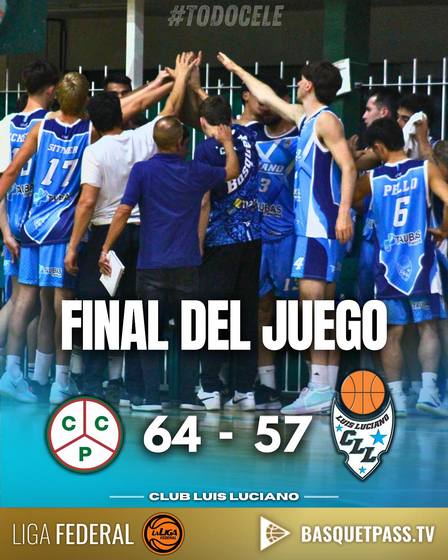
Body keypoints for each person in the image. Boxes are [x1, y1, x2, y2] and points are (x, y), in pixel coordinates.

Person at [0, 67, 175, 404]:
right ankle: (60, 381)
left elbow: (11, 171)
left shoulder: (41, 126)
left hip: (33, 225)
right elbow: (132, 107)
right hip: (62, 229)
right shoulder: (88, 130)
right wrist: (164, 84)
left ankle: (13, 372)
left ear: (57, 97)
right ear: (85, 103)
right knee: (63, 306)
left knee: (24, 300)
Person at [217, 53, 356, 414]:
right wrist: (237, 69)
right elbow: (266, 95)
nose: (296, 83)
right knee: (322, 312)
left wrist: (343, 213)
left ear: (308, 84)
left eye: (300, 78)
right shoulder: (306, 118)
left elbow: (348, 167)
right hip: (314, 228)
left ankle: (319, 388)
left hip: (319, 226)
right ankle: (325, 389)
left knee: (314, 310)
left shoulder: (326, 121)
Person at [64, 55, 195, 407]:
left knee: (97, 311)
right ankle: (137, 390)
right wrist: (181, 78)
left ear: (93, 120)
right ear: (121, 116)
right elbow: (170, 113)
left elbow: (87, 202)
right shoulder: (140, 138)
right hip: (144, 235)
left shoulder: (94, 151)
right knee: (137, 313)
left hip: (108, 237)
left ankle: (94, 386)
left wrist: (74, 246)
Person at [99, 116, 239, 411]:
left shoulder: (142, 170)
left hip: (150, 264)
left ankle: (151, 397)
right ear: (180, 144)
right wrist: (227, 142)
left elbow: (123, 211)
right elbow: (232, 171)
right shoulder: (195, 171)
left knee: (149, 331)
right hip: (187, 263)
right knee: (189, 332)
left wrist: (106, 247)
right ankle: (187, 396)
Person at [354, 118, 448, 417]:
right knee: (427, 327)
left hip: (388, 267)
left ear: (379, 147)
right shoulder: (424, 169)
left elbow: (350, 201)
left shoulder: (373, 178)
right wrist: (444, 229)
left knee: (391, 333)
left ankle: (396, 399)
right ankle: (429, 392)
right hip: (421, 264)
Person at [195, 95, 260, 412]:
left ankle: (210, 387)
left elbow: (204, 199)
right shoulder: (249, 137)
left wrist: (197, 242)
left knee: (215, 315)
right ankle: (245, 390)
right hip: (252, 239)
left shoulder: (205, 150)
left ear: (202, 123)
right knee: (246, 314)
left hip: (219, 241)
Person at [0, 60, 59, 401]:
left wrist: (5, 231)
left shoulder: (6, 123)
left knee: (26, 300)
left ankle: (27, 374)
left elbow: (3, 179)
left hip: (13, 222)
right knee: (28, 301)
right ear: (51, 90)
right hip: (40, 224)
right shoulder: (52, 124)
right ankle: (14, 373)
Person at [244, 77, 299, 410]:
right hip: (257, 237)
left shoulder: (301, 136)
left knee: (300, 313)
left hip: (289, 237)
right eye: (259, 101)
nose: (263, 107)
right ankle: (268, 386)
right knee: (262, 309)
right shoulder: (250, 136)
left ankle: (316, 383)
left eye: (269, 101)